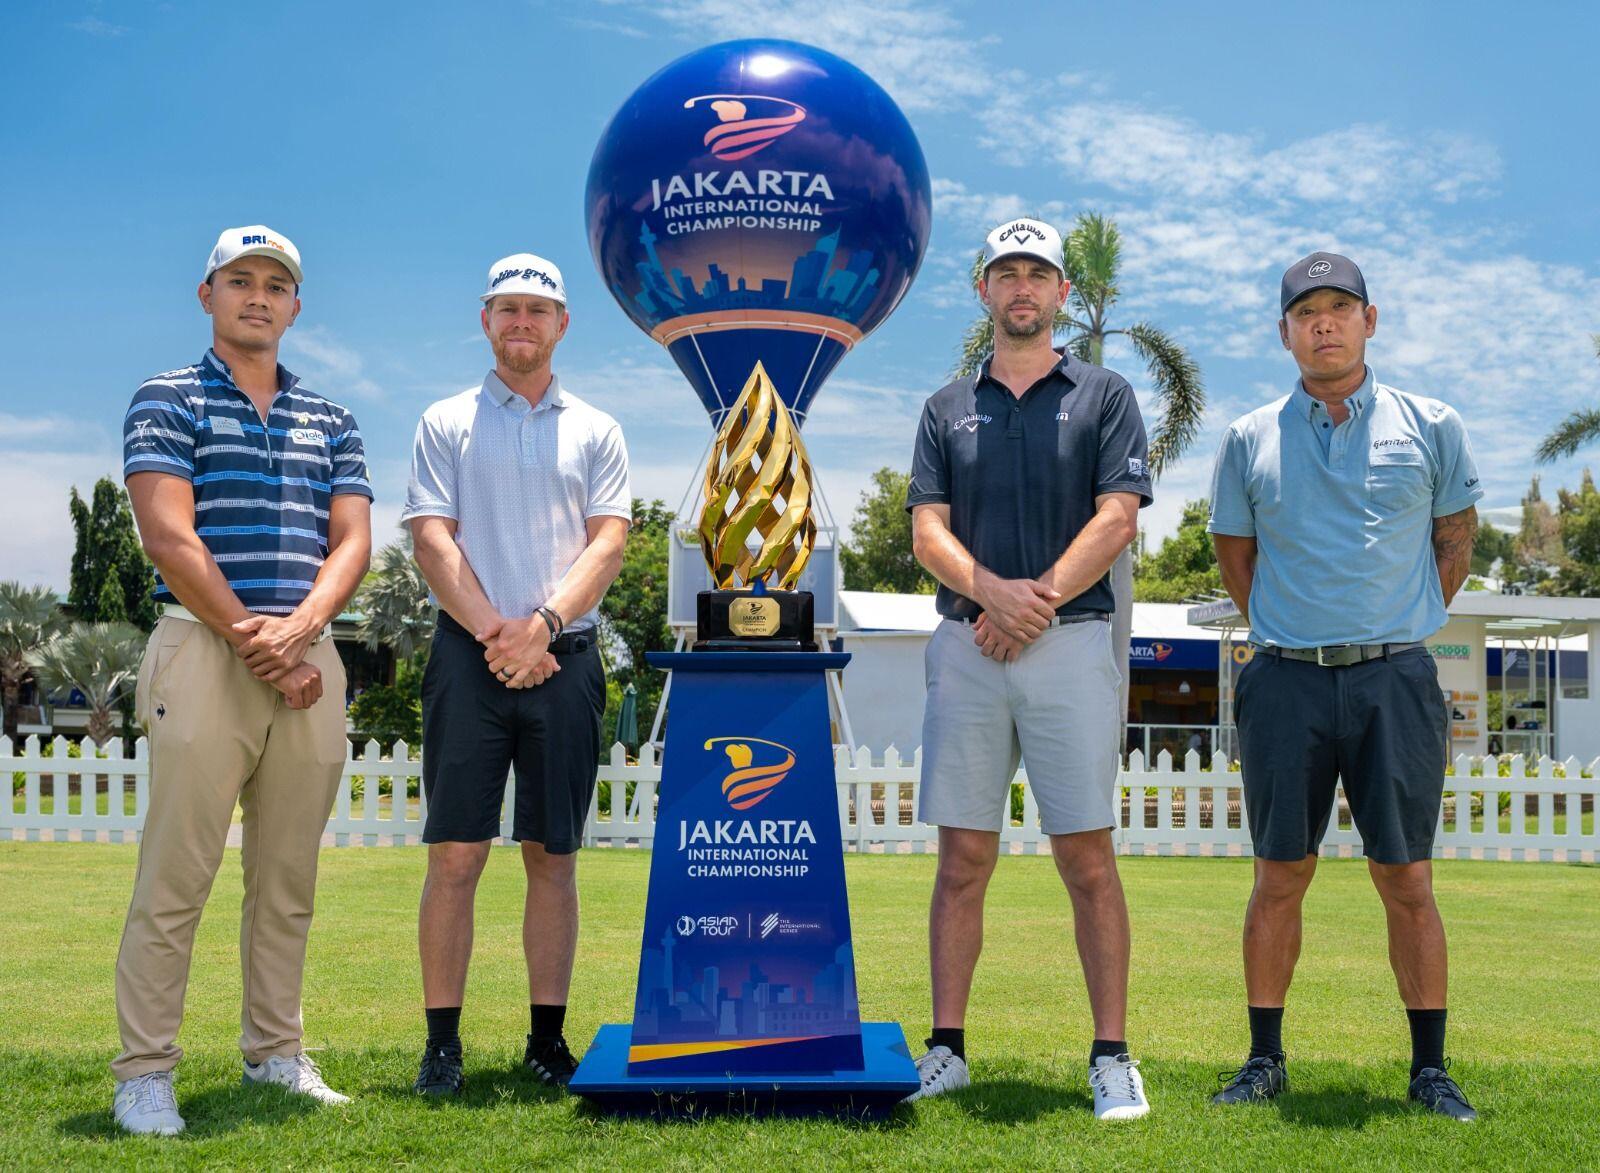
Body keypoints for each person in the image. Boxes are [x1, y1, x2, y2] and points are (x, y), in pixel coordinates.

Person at [1207, 251, 1481, 1120]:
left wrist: (1399, 620)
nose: (1323, 322)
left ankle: (1430, 1069)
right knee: (1280, 873)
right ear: (1284, 331)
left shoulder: (1431, 423)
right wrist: (1298, 628)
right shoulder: (1250, 436)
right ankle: (1263, 1059)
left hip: (1395, 678)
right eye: (1305, 311)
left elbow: (1455, 539)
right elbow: (1236, 557)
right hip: (1285, 679)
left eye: (1340, 307)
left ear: (1371, 319)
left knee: (1407, 879)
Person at [114, 225, 373, 1135]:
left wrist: (300, 630)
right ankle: (145, 1071)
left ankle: (274, 1052)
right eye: (239, 281)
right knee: (176, 874)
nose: (257, 296)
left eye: (275, 284)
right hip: (200, 648)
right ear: (207, 294)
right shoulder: (166, 397)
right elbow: (168, 537)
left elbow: (352, 542)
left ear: (296, 305)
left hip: (310, 654)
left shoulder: (332, 418)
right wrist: (257, 640)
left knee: (286, 876)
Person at [903, 218, 1154, 1119]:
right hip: (969, 647)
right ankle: (947, 1048)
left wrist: (1032, 597)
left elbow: (1118, 516)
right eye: (1005, 273)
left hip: (1071, 641)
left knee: (1086, 855)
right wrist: (991, 596)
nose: (1021, 287)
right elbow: (928, 530)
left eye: (1037, 274)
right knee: (963, 856)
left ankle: (1112, 1056)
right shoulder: (944, 406)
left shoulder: (1105, 394)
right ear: (983, 292)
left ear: (1061, 295)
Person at [403, 253, 631, 1097]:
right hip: (469, 659)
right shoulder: (445, 419)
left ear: (562, 324)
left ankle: (545, 1040)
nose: (523, 323)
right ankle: (442, 1046)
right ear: (486, 319)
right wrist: (496, 633)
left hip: (564, 658)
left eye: (539, 310)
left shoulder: (598, 428)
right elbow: (433, 539)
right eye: (508, 309)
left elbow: (607, 542)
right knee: (457, 855)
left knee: (552, 856)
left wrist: (539, 627)